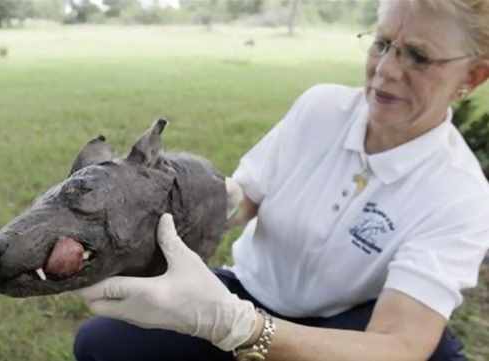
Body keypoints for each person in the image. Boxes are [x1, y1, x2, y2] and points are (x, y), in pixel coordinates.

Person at [74, 0, 489, 360]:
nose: (385, 70)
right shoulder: (321, 109)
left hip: (341, 324)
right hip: (245, 291)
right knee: (100, 343)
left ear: (471, 78)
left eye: (417, 55)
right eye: (381, 44)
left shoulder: (460, 195)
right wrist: (184, 203)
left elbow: (400, 345)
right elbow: (246, 196)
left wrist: (240, 329)